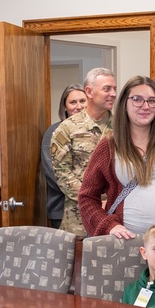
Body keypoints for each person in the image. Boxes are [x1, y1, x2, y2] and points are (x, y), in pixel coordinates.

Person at [78, 75, 155, 240]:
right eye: (137, 99)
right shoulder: (109, 145)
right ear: (124, 104)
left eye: (152, 100)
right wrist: (109, 225)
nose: (145, 106)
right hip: (123, 245)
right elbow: (87, 197)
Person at [51, 67, 117, 237]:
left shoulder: (123, 128)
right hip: (78, 220)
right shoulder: (67, 128)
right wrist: (93, 201)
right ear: (89, 91)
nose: (113, 94)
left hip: (115, 217)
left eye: (114, 89)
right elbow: (62, 174)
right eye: (107, 89)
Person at [42, 84, 87, 228]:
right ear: (65, 107)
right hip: (62, 209)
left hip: (96, 209)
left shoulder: (98, 130)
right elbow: (52, 172)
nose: (78, 106)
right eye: (73, 102)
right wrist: (87, 194)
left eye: (82, 101)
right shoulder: (54, 131)